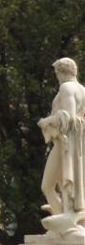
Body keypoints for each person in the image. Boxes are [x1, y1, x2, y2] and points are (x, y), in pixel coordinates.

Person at [39, 57, 85, 224]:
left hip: (65, 144)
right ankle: (66, 220)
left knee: (47, 186)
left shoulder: (66, 88)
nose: (56, 77)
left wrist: (47, 121)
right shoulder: (82, 90)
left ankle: (66, 225)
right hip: (76, 145)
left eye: (57, 73)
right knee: (63, 186)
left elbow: (69, 118)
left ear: (62, 72)